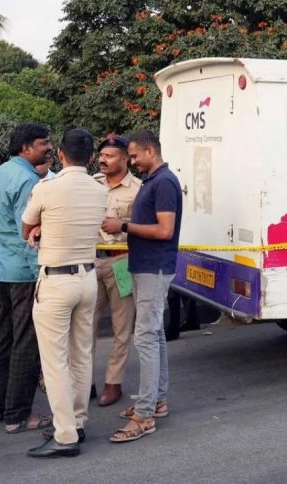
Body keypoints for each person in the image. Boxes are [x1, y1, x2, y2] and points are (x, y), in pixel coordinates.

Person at [22, 128, 107, 458]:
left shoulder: (47, 187)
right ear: (91, 157)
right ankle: (78, 422)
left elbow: (26, 228)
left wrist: (39, 227)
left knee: (55, 361)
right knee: (81, 354)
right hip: (87, 278)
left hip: (56, 281)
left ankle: (66, 434)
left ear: (59, 154)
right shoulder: (99, 190)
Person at [101, 130, 182, 443]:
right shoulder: (153, 181)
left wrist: (122, 226)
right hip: (145, 266)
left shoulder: (164, 183)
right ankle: (156, 401)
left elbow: (165, 230)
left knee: (145, 337)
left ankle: (145, 415)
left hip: (153, 268)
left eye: (135, 156)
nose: (132, 161)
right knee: (154, 334)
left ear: (151, 151)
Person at [0, 123, 53, 433]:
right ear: (26, 148)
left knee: (2, 337)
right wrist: (39, 273)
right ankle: (18, 415)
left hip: (0, 268)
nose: (49, 148)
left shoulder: (0, 173)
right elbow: (29, 235)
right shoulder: (28, 180)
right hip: (23, 271)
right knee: (26, 340)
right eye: (43, 143)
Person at [91, 135, 142, 407]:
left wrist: (122, 224)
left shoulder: (138, 189)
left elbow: (145, 226)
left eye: (109, 156)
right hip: (91, 261)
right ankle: (84, 382)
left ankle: (113, 383)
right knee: (85, 325)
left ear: (124, 159)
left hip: (121, 261)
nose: (103, 160)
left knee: (121, 327)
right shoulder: (92, 184)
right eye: (102, 155)